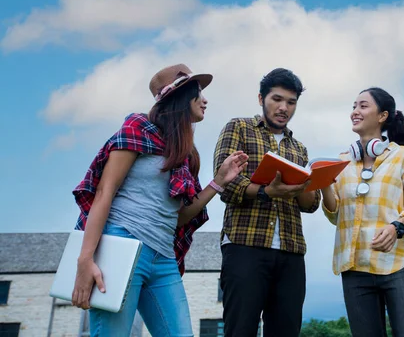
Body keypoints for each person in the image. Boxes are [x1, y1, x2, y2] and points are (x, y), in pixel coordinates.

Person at [70, 64, 248, 336]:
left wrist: (219, 181)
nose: (205, 100)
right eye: (197, 93)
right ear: (178, 97)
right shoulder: (138, 127)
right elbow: (105, 192)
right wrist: (85, 260)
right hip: (122, 246)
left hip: (163, 258)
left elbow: (180, 217)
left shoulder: (185, 153)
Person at [213, 67, 322, 337]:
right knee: (240, 329)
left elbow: (310, 205)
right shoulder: (238, 127)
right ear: (261, 99)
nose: (284, 107)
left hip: (291, 250)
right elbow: (224, 183)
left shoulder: (299, 149)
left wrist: (306, 185)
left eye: (291, 102)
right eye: (277, 99)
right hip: (245, 246)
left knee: (286, 330)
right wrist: (265, 192)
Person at [321, 87, 404, 337]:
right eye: (353, 106)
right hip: (354, 266)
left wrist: (397, 227)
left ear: (382, 116)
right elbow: (336, 215)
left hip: (399, 263)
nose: (355, 112)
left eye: (363, 106)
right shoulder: (341, 161)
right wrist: (324, 183)